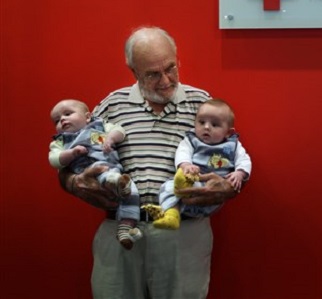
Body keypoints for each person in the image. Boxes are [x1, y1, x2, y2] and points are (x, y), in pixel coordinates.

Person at [57, 26, 242, 299]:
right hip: (120, 231)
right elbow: (69, 165)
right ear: (133, 70)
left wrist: (228, 187)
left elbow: (234, 156)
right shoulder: (112, 105)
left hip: (184, 234)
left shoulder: (202, 104)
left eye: (171, 68)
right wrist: (74, 182)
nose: (166, 80)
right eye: (153, 74)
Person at [144, 98, 252, 229]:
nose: (206, 127)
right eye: (201, 122)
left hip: (213, 193)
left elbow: (244, 159)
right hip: (192, 182)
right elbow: (183, 152)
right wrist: (185, 165)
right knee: (169, 187)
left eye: (215, 125)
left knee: (177, 189)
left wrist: (240, 173)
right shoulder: (192, 140)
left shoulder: (232, 145)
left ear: (228, 132)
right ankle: (172, 214)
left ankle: (171, 213)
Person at [49, 99, 142, 249]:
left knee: (132, 192)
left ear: (88, 117)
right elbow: (54, 160)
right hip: (90, 173)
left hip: (112, 168)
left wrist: (111, 138)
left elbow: (119, 130)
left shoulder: (100, 125)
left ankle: (127, 225)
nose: (62, 119)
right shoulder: (60, 142)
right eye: (57, 121)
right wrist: (71, 153)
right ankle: (117, 184)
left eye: (68, 114)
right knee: (105, 175)